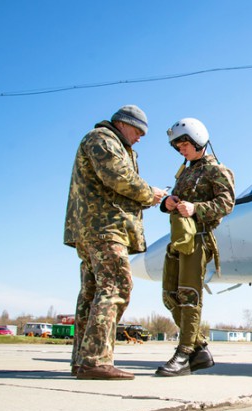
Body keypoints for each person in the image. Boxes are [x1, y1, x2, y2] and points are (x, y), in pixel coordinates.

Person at [64, 105, 167, 380]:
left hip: (94, 229)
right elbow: (118, 176)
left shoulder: (110, 142)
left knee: (92, 293)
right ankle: (96, 360)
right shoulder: (102, 139)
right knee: (117, 285)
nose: (140, 137)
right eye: (138, 131)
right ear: (123, 124)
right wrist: (150, 194)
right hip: (105, 228)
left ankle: (83, 360)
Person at [156, 118, 235, 377]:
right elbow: (177, 197)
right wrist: (168, 201)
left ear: (198, 139)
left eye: (184, 144)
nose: (181, 149)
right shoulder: (186, 171)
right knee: (170, 295)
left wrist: (196, 208)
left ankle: (185, 353)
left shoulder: (217, 170)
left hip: (199, 239)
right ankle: (200, 348)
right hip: (179, 239)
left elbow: (227, 203)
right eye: (178, 146)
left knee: (189, 295)